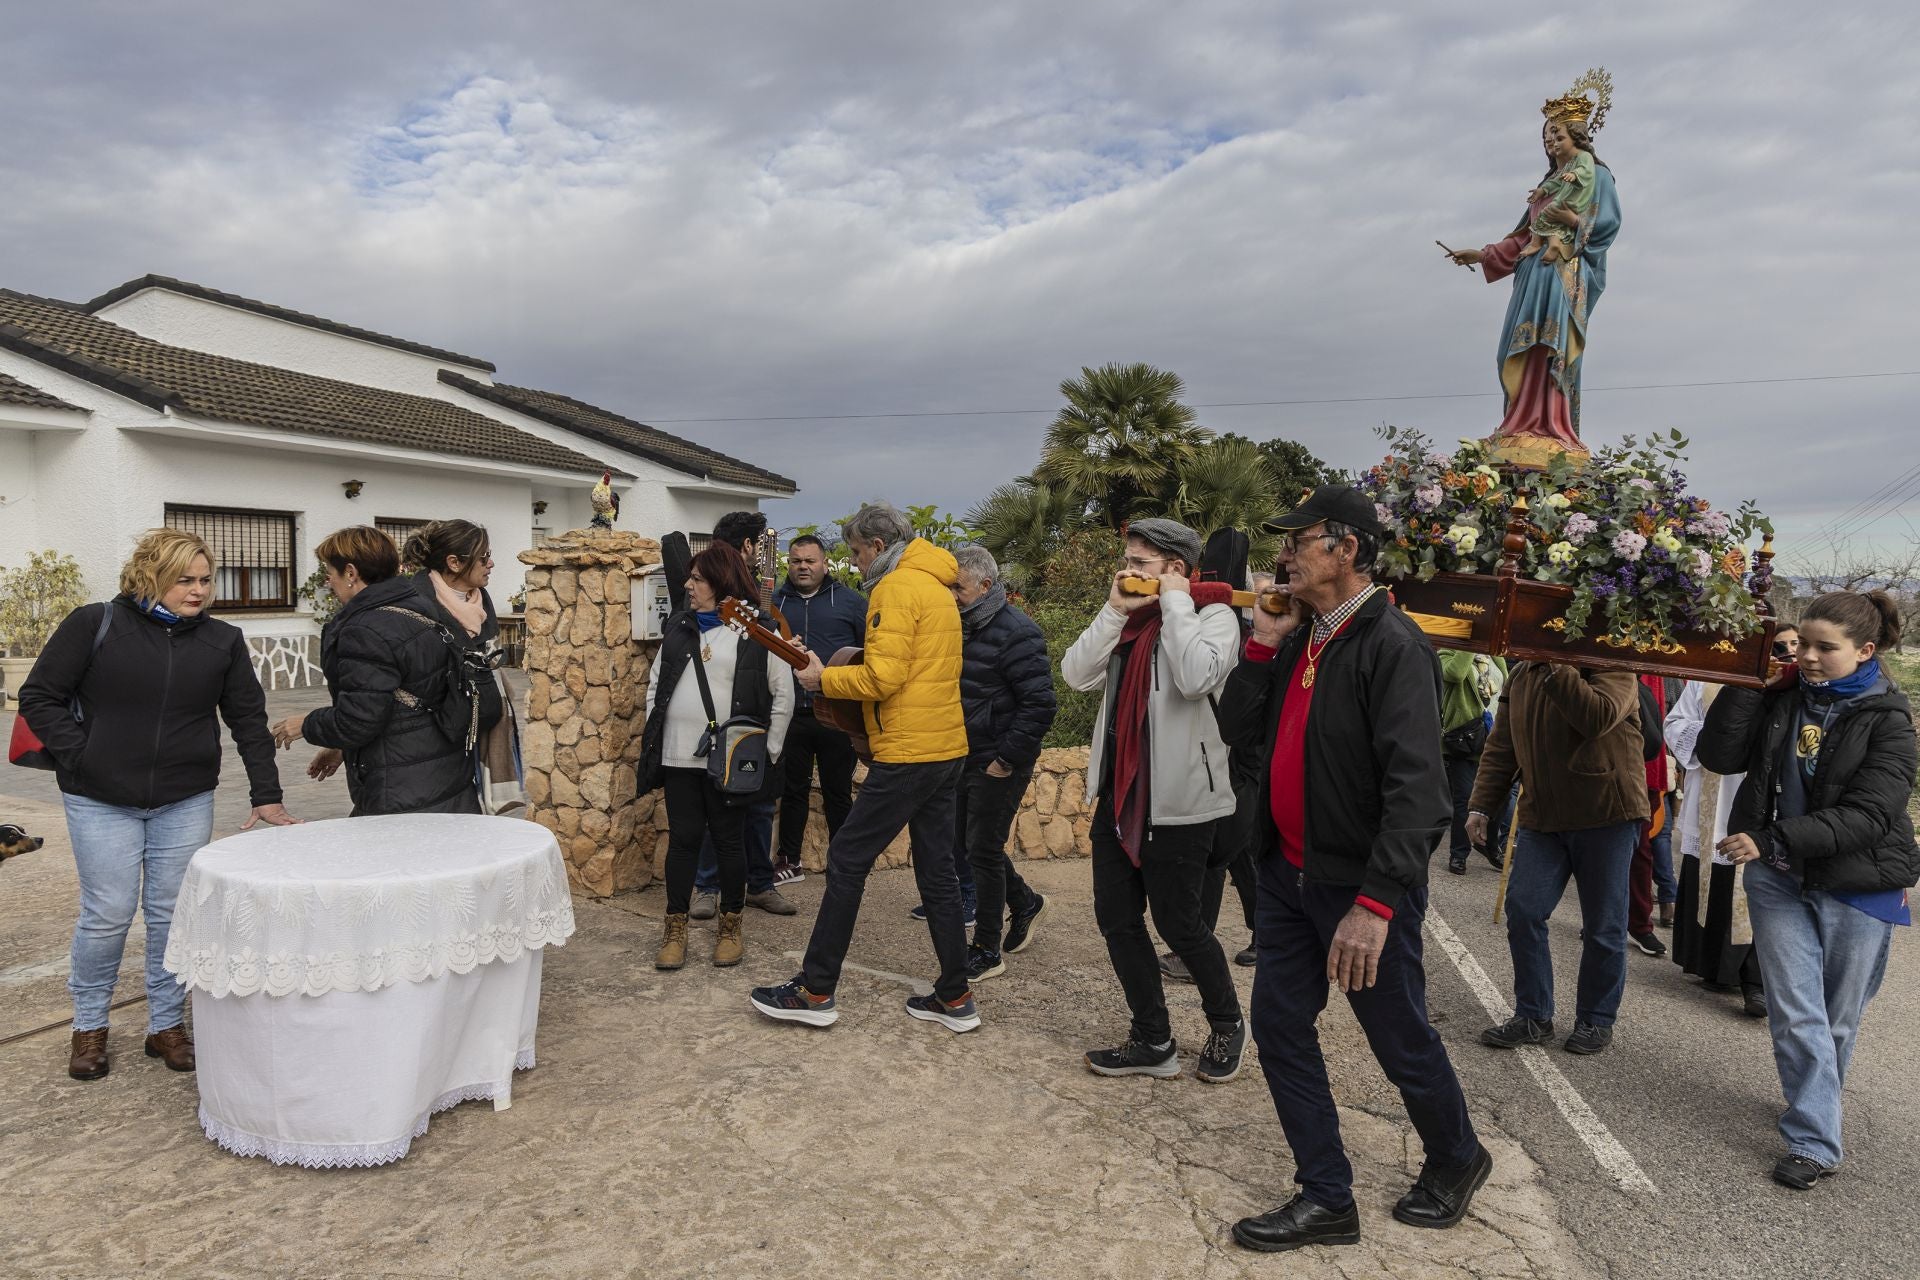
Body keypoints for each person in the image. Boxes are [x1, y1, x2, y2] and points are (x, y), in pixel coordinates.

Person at [1217, 488, 1490, 1254]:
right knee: (1276, 1024)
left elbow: (1419, 793)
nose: (1284, 555)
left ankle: (1458, 1156)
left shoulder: (1393, 646)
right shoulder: (1301, 636)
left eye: (1299, 541)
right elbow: (1234, 728)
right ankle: (1326, 1196)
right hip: (1286, 875)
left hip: (1356, 890)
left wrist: (1374, 905)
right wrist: (1263, 646)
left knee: (1397, 1036)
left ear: (1346, 549)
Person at [20, 527, 298, 1081]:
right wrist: (84, 755)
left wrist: (266, 794)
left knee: (173, 915)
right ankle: (90, 1027)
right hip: (99, 799)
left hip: (183, 798)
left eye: (204, 580)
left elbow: (247, 722)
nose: (197, 591)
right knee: (108, 915)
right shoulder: (95, 624)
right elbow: (38, 697)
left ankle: (166, 1026)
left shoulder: (222, 640)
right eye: (183, 580)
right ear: (151, 576)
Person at [1699, 592, 1916, 1191]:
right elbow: (1716, 755)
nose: (1809, 658)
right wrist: (1748, 681)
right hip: (1777, 876)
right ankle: (1815, 1140)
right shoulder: (1782, 696)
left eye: (1825, 648)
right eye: (1801, 646)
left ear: (1865, 651)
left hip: (1858, 883)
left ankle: (1815, 1101)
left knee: (1837, 1021)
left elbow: (1870, 816)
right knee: (1797, 1013)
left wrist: (1772, 836)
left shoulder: (1890, 720)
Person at [749, 503, 979, 1033]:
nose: (854, 564)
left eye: (854, 552)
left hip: (907, 751)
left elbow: (882, 678)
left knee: (848, 858)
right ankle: (954, 994)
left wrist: (820, 680)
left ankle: (815, 989)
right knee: (938, 870)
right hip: (946, 746)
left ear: (877, 546)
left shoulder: (897, 588)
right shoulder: (939, 587)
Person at [1060, 517, 1247, 1085]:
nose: (1128, 571)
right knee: (1117, 921)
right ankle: (1153, 1038)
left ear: (1176, 570)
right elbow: (1074, 674)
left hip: (1180, 803)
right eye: (1128, 560)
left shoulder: (1215, 619)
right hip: (1120, 797)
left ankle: (1228, 1022)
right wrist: (1116, 608)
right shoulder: (1128, 622)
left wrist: (1175, 604)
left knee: (1181, 925)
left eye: (1141, 564)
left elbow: (1193, 678)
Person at [1470, 661, 1649, 1056]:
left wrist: (1556, 666)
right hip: (1543, 816)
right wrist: (1481, 804)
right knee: (1524, 910)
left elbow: (1596, 717)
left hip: (1607, 814)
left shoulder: (1611, 663)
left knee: (1603, 926)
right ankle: (1533, 1015)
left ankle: (1596, 1019)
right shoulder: (1519, 674)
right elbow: (1503, 744)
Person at [640, 547, 794, 970]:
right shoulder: (680, 627)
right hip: (679, 757)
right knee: (684, 841)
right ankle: (675, 928)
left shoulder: (757, 630)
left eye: (698, 580)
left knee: (729, 842)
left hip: (731, 761)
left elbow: (783, 693)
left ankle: (730, 927)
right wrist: (662, 733)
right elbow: (656, 685)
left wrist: (767, 751)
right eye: (689, 578)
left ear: (723, 582)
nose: (689, 586)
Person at [1446, 92, 1621, 463]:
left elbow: (1608, 225)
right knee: (1512, 351)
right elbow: (1525, 235)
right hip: (1531, 275)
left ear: (1578, 137)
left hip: (1562, 273)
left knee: (1549, 347)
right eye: (1547, 138)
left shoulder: (1597, 176)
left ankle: (1553, 430)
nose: (1552, 143)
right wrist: (1481, 254)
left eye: (1558, 135)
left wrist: (1571, 221)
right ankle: (1519, 423)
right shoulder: (1549, 184)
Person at [270, 527, 480, 816]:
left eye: (329, 570)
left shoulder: (365, 629)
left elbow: (359, 719)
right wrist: (343, 748)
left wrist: (305, 724)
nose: (328, 580)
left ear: (352, 573)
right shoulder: (418, 607)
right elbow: (403, 698)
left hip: (400, 787)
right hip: (441, 775)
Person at [946, 544, 1056, 983]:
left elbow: (1041, 704)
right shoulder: (962, 626)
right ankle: (1026, 902)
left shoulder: (1017, 631)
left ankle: (987, 948)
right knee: (970, 845)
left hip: (998, 760)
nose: (952, 595)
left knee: (983, 850)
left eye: (959, 587)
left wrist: (1005, 760)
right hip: (963, 754)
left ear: (986, 586)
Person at [691, 510, 795, 916]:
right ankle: (706, 886)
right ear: (749, 546)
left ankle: (761, 883)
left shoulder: (758, 603)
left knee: (761, 805)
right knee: (713, 808)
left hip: (758, 716)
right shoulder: (704, 598)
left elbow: (779, 672)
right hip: (716, 721)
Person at [1664, 672, 1769, 1016]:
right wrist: (1714, 737)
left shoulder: (1787, 682)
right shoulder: (1709, 678)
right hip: (1712, 787)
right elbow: (1676, 721)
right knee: (1712, 872)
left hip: (1759, 794)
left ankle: (1755, 979)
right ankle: (1713, 966)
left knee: (1754, 882)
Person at [401, 519, 519, 814]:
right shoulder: (414, 605)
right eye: (483, 557)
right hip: (435, 740)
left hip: (481, 726)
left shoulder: (482, 602)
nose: (491, 563)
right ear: (453, 562)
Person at [772, 534, 866, 884]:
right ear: (789, 563)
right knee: (792, 790)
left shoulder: (851, 603)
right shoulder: (775, 603)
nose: (803, 567)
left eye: (810, 561)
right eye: (796, 561)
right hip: (791, 712)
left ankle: (846, 864)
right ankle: (790, 861)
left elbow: (868, 654)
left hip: (837, 715)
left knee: (837, 791)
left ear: (824, 563)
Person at [1626, 675, 1681, 958]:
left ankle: (1639, 923)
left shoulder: (1658, 671)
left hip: (1647, 763)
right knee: (1600, 848)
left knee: (1644, 845)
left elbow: (1666, 712)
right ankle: (1602, 918)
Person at [1440, 651, 1506, 875]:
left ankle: (1489, 845)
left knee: (1500, 798)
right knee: (1465, 801)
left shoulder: (1493, 656)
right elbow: (1456, 674)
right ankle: (1459, 853)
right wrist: (1471, 644)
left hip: (1492, 738)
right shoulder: (1446, 654)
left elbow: (1506, 683)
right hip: (1464, 740)